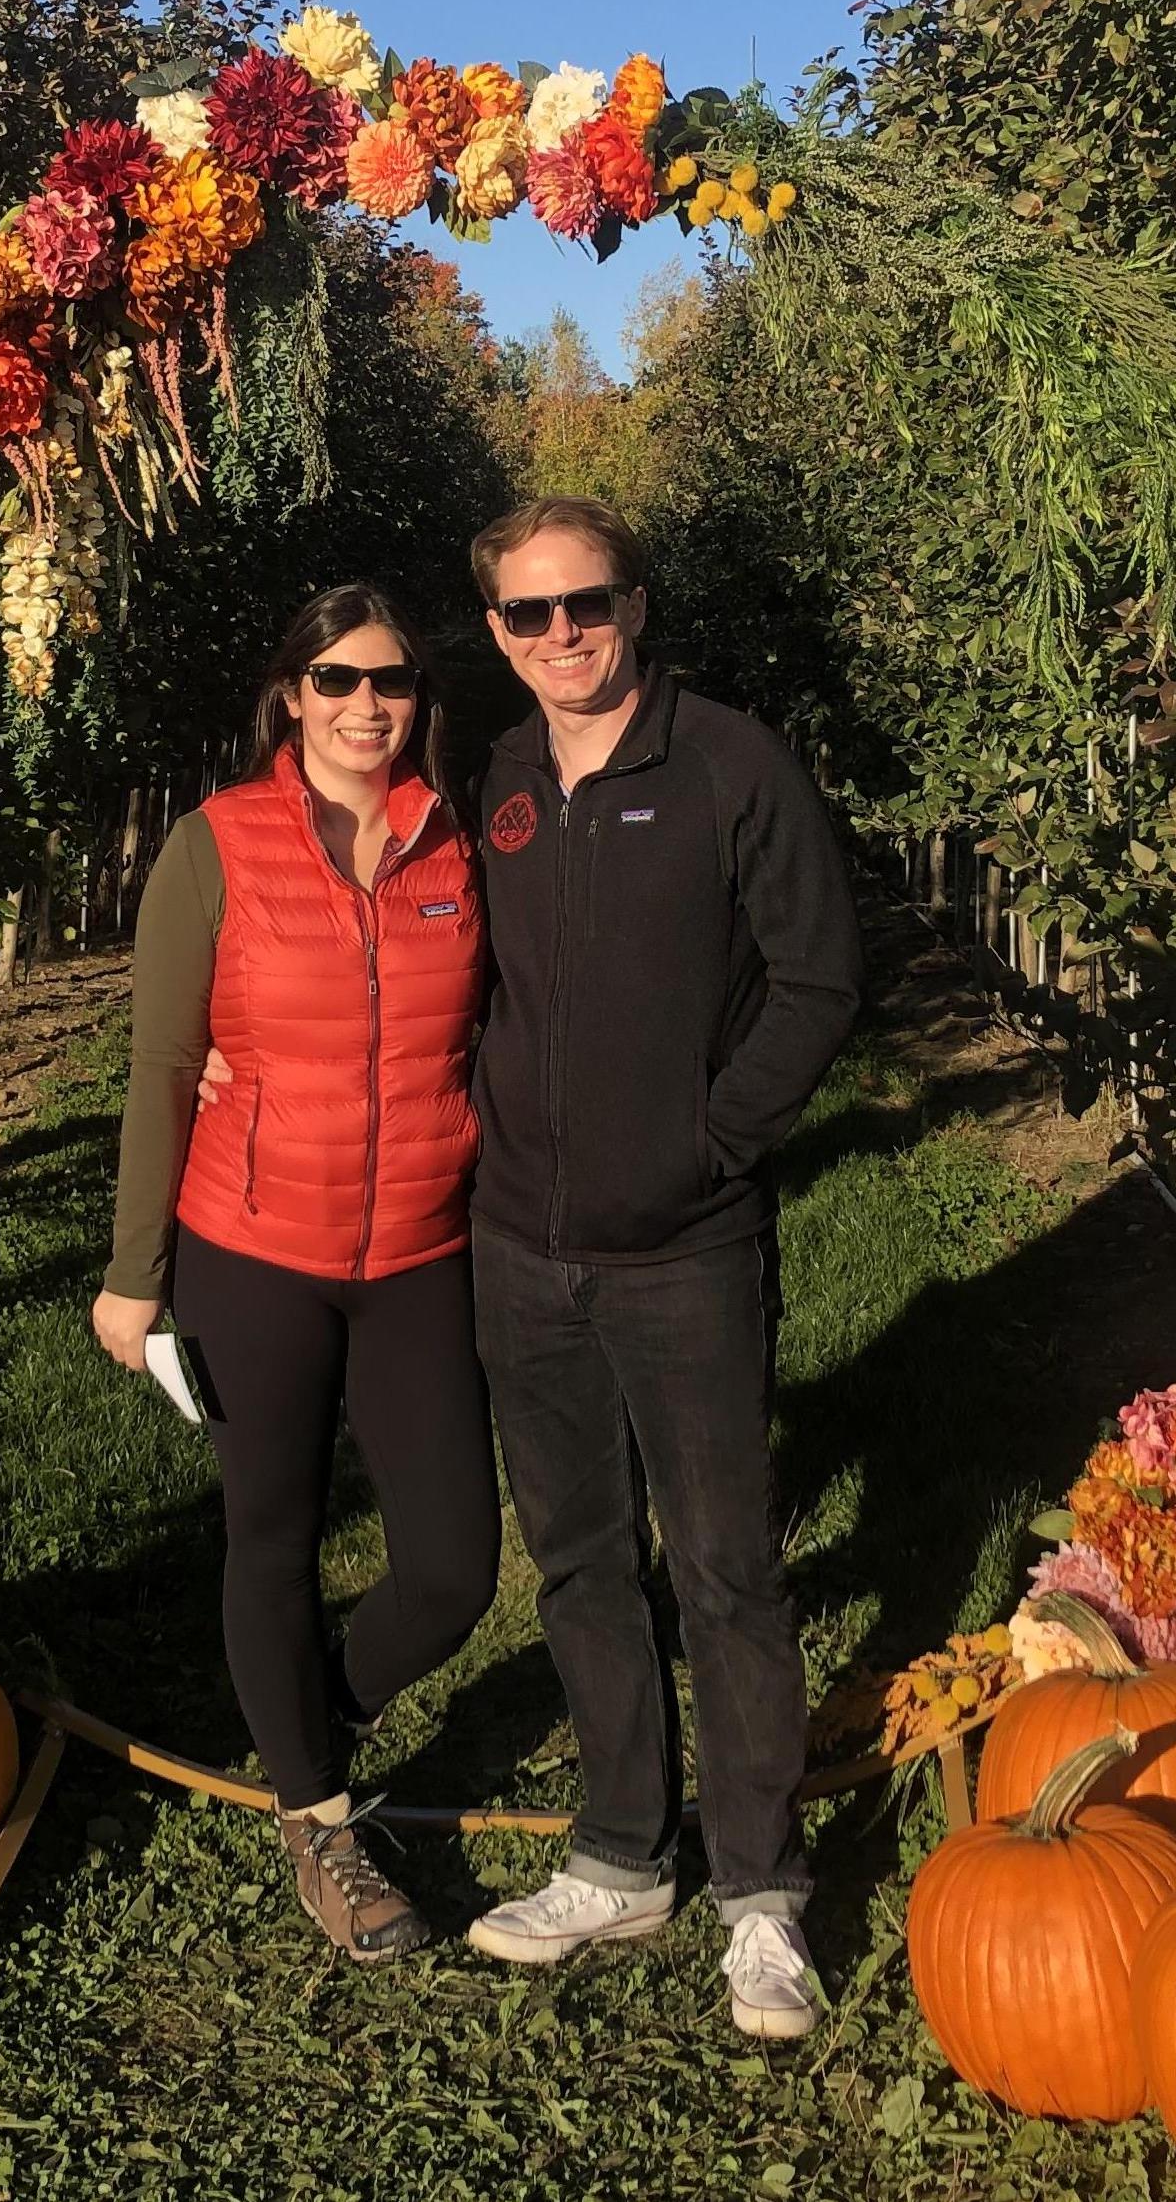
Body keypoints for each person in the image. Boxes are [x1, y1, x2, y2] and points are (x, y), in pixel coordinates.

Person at [455, 495, 862, 2040]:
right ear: (492, 631)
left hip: (682, 1248)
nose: (563, 635)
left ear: (635, 602)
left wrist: (714, 1140)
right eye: (527, 614)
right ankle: (623, 1853)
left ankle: (760, 1891)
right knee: (573, 1561)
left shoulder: (726, 764)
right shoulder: (491, 777)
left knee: (725, 1568)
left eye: (588, 603)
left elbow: (821, 973)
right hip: (518, 1246)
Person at [93, 583, 500, 1964]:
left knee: (449, 1565)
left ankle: (300, 1717)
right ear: (292, 695)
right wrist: (131, 1270)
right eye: (335, 680)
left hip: (419, 1249)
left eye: (387, 682)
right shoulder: (215, 846)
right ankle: (320, 1818)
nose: (363, 705)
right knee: (270, 1528)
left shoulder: (458, 841)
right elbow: (158, 1063)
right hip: (251, 1245)